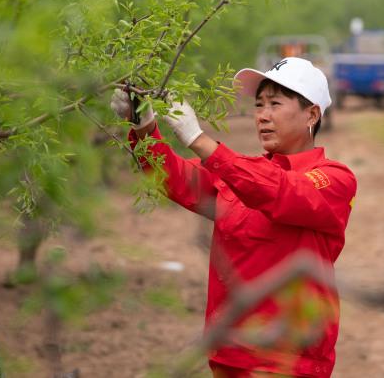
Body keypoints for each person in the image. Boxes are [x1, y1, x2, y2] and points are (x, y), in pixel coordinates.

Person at [110, 57, 357, 377]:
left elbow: (282, 191)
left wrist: (199, 140)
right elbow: (175, 177)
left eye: (275, 104)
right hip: (230, 356)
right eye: (259, 105)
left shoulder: (333, 179)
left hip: (290, 364)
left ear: (311, 114)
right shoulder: (240, 174)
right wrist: (143, 126)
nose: (263, 116)